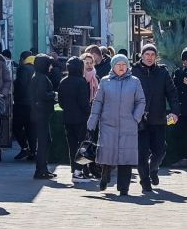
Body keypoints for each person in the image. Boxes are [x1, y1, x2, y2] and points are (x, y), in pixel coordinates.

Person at [88, 55, 146, 196]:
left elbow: (141, 101)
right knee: (107, 155)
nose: (121, 67)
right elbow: (98, 102)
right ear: (113, 66)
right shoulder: (105, 82)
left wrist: (135, 118)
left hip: (128, 125)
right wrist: (92, 122)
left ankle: (123, 188)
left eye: (124, 64)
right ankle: (105, 175)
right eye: (118, 64)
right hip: (108, 125)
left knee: (125, 157)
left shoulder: (134, 82)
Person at [131, 44, 180, 192]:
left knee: (160, 150)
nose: (150, 57)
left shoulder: (162, 72)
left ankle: (154, 169)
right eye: (147, 54)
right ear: (142, 55)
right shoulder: (133, 72)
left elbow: (172, 93)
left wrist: (175, 112)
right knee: (142, 153)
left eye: (152, 54)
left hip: (158, 118)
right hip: (139, 121)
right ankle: (145, 181)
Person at [58, 57, 93, 183]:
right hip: (80, 119)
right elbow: (84, 102)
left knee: (72, 146)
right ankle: (79, 172)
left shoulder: (63, 81)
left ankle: (75, 170)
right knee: (83, 145)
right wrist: (92, 113)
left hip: (67, 119)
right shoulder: (81, 82)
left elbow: (61, 102)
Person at [30, 54, 57, 179]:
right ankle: (40, 169)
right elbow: (43, 94)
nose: (51, 67)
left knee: (46, 141)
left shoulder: (38, 76)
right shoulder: (42, 78)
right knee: (44, 142)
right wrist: (54, 94)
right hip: (41, 113)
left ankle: (43, 168)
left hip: (39, 112)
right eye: (49, 64)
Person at [12, 51, 36, 160]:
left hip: (22, 103)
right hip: (33, 104)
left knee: (16, 127)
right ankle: (33, 151)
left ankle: (24, 148)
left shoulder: (23, 69)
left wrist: (15, 95)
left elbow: (20, 86)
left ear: (22, 59)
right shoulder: (36, 68)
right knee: (31, 128)